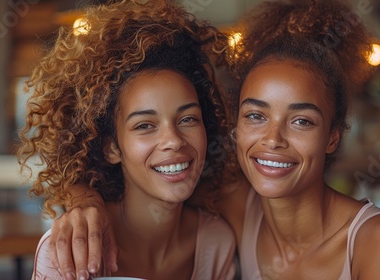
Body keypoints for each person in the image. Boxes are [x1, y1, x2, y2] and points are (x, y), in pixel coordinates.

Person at [48, 0, 380, 279]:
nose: (273, 139)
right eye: (256, 116)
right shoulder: (235, 208)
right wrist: (85, 202)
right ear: (235, 126)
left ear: (333, 136)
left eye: (302, 121)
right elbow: (150, 177)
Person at [16, 1, 238, 279]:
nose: (173, 141)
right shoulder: (72, 249)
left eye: (188, 119)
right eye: (145, 125)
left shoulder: (216, 242)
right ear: (111, 147)